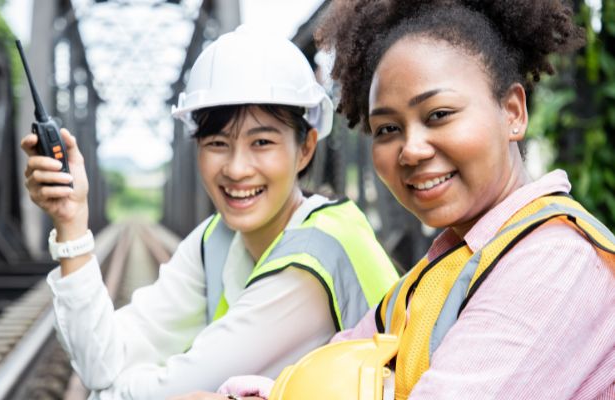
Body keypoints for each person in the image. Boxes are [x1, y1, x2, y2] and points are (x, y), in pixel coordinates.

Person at [217, 1, 615, 399]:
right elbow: (324, 375)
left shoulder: (552, 262)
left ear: (512, 111)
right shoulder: (433, 274)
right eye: (387, 128)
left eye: (439, 114)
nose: (411, 150)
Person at [20, 24, 399, 400]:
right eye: (218, 143)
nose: (236, 168)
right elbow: (100, 361)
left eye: (262, 142)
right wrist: (71, 224)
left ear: (305, 149)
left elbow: (142, 395)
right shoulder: (216, 239)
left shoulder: (315, 258)